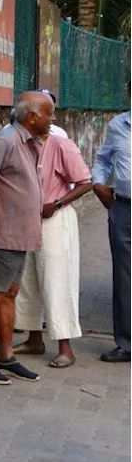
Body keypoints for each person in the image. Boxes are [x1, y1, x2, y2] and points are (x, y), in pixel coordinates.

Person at [0, 91, 53, 385]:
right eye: (48, 113)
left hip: (18, 236)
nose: (52, 119)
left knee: (9, 294)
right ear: (31, 116)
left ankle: (5, 357)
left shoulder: (30, 143)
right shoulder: (4, 142)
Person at [10, 116, 92, 368]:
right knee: (28, 281)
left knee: (57, 282)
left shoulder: (60, 144)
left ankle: (65, 347)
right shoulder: (20, 145)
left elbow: (85, 183)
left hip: (55, 219)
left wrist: (56, 204)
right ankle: (34, 338)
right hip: (27, 220)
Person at [92, 81, 132, 363]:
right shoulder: (118, 125)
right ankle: (126, 343)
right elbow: (103, 158)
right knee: (124, 277)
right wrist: (97, 183)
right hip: (124, 210)